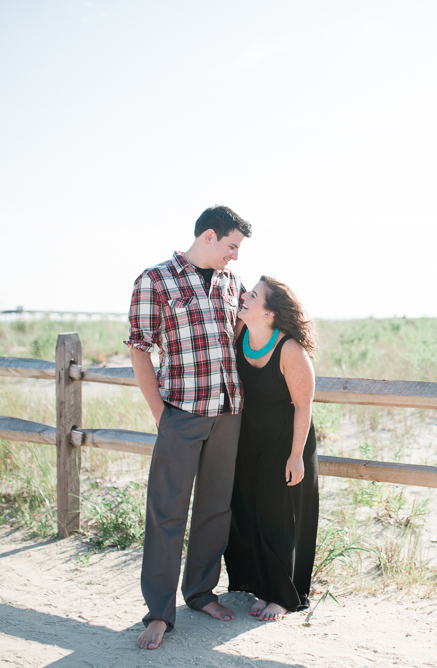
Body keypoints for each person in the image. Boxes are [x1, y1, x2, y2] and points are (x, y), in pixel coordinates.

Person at [126, 206, 251, 650]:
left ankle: (199, 594)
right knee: (166, 513)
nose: (235, 256)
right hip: (180, 412)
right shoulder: (155, 280)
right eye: (232, 246)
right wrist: (161, 415)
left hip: (228, 411)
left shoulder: (230, 283)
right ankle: (159, 613)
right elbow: (140, 351)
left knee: (216, 508)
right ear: (211, 237)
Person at [224, 276, 319, 622]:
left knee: (278, 514)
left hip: (287, 438)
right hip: (250, 435)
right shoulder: (241, 335)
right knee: (247, 508)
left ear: (269, 313)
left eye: (253, 295)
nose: (244, 297)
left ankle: (282, 595)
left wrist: (296, 456)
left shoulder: (290, 350)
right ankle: (260, 586)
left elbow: (303, 406)